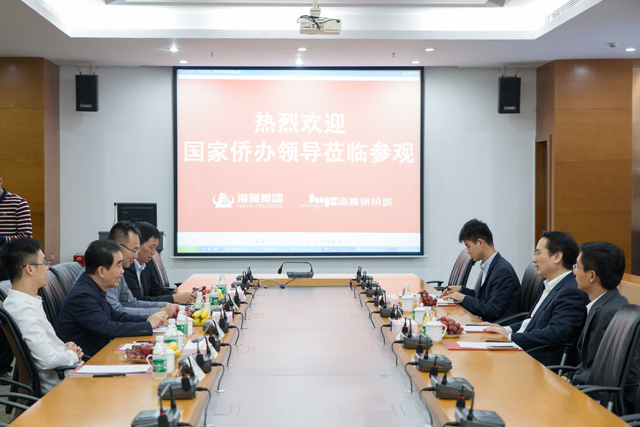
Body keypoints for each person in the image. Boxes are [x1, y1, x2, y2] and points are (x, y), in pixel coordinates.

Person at [484, 231, 589, 366]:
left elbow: (556, 333)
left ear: (557, 256)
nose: (534, 259)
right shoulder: (551, 284)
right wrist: (505, 329)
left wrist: (510, 337)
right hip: (525, 353)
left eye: (538, 253)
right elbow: (532, 321)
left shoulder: (571, 291)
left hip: (539, 363)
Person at [56, 240, 167, 358]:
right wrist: (148, 326)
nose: (122, 271)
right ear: (101, 271)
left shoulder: (93, 287)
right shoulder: (83, 295)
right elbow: (108, 328)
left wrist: (147, 320)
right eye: (118, 266)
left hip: (100, 354)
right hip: (87, 360)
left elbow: (115, 315)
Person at [0, 238, 82, 393]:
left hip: (69, 376)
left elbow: (45, 349)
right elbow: (48, 360)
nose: (47, 269)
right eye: (44, 263)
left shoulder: (25, 302)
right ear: (30, 269)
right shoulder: (24, 310)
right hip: (64, 387)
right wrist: (71, 354)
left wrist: (66, 349)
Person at [440, 219, 520, 322]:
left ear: (480, 242)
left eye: (468, 246)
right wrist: (461, 290)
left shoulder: (503, 271)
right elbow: (483, 299)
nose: (468, 252)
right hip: (486, 322)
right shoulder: (490, 265)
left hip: (498, 327)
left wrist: (463, 298)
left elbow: (493, 311)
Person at [571, 241, 629, 385]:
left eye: (577, 267)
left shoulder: (609, 315)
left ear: (592, 276)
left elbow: (602, 373)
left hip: (593, 394)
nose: (574, 272)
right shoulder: (610, 303)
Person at [0, 172, 34, 382]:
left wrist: (2, 239)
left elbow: (26, 238)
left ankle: (3, 365)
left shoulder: (18, 203)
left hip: (6, 265)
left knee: (5, 314)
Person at [105, 221, 178, 316]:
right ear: (118, 247)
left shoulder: (120, 270)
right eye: (134, 250)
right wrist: (159, 311)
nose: (136, 256)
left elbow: (132, 303)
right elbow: (116, 311)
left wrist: (164, 305)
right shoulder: (105, 270)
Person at [124, 221, 195, 304]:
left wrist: (179, 296)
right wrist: (173, 298)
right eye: (151, 247)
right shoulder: (126, 267)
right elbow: (138, 301)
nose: (154, 252)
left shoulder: (146, 264)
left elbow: (156, 290)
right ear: (137, 244)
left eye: (155, 248)